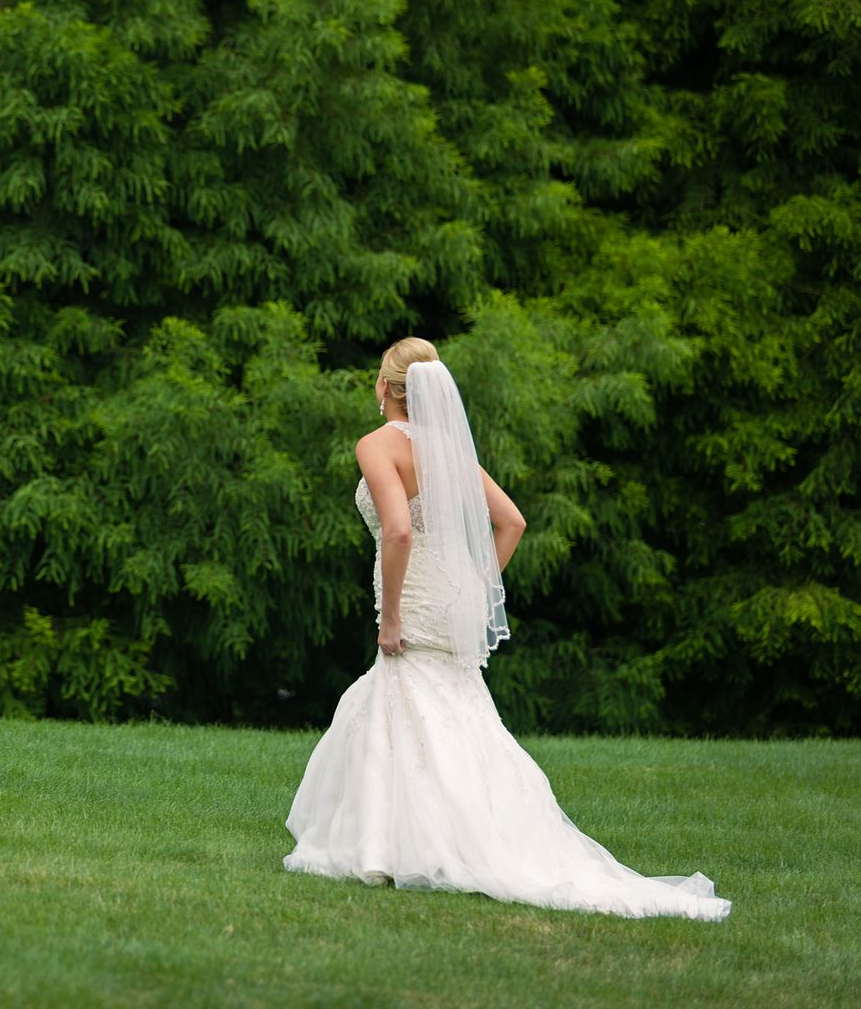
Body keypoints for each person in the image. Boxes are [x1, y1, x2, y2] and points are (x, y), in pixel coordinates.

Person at [283, 337, 730, 920]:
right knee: (444, 709)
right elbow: (511, 522)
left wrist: (390, 614)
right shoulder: (448, 451)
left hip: (413, 597)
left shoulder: (377, 445)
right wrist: (478, 590)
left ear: (382, 387)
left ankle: (387, 845)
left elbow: (397, 532)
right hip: (453, 599)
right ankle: (434, 836)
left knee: (407, 701)